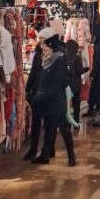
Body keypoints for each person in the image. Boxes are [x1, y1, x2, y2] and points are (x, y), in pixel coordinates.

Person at [30, 34, 76, 166]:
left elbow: (63, 81)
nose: (43, 49)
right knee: (49, 127)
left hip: (56, 100)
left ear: (51, 48)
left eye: (46, 46)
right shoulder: (47, 60)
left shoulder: (59, 61)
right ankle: (45, 154)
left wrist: (49, 92)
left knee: (63, 128)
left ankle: (71, 156)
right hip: (47, 101)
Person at [23, 27, 55, 160]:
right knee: (35, 123)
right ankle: (33, 149)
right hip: (37, 93)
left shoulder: (55, 54)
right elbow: (33, 73)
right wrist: (27, 89)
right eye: (40, 39)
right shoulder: (37, 54)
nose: (40, 41)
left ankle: (48, 150)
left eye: (42, 39)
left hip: (49, 94)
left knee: (49, 124)